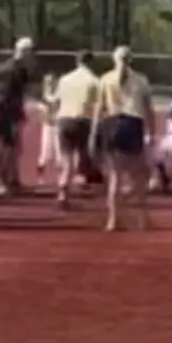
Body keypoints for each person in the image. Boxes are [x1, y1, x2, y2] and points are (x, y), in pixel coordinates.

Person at [92, 45, 155, 231]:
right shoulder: (141, 80)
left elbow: (99, 107)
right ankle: (143, 219)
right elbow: (148, 108)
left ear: (114, 59)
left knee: (115, 177)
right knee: (140, 175)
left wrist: (94, 131)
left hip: (111, 124)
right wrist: (151, 132)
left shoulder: (105, 79)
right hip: (132, 124)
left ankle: (113, 220)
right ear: (131, 59)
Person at [0, 37, 36, 196]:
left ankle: (12, 180)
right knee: (6, 147)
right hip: (5, 113)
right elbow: (7, 95)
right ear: (25, 52)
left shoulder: (6, 68)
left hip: (1, 111)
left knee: (11, 147)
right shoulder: (14, 70)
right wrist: (16, 115)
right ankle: (4, 182)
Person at [51, 50, 99, 209]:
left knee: (66, 158)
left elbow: (56, 100)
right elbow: (98, 105)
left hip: (64, 118)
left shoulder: (65, 79)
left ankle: (63, 191)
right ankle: (78, 181)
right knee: (82, 154)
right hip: (82, 119)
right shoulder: (94, 81)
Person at [34, 72, 61, 185]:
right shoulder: (43, 98)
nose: (50, 84)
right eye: (48, 82)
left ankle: (61, 177)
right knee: (45, 152)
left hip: (58, 126)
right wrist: (47, 117)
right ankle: (40, 177)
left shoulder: (59, 96)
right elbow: (41, 115)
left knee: (59, 152)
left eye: (52, 81)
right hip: (48, 127)